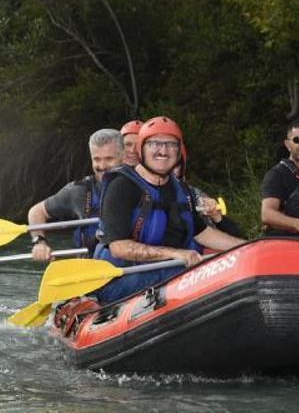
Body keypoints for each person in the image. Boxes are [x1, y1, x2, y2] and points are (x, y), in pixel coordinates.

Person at [94, 116, 245, 303]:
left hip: (167, 272)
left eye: (171, 145)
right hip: (121, 278)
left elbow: (202, 233)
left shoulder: (181, 190)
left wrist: (246, 247)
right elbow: (118, 248)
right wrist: (175, 254)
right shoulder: (121, 186)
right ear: (141, 148)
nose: (163, 151)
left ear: (178, 151)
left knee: (191, 270)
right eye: (154, 144)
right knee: (183, 272)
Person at [28, 128, 123, 261]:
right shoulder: (77, 191)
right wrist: (39, 242)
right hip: (90, 268)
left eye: (109, 159)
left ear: (123, 156)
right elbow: (36, 211)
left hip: (131, 270)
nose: (102, 166)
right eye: (97, 159)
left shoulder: (140, 186)